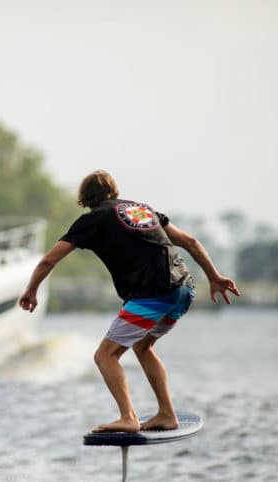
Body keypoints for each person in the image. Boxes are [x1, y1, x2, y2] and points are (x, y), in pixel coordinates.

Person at [18, 170, 239, 433]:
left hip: (153, 294)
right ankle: (167, 414)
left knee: (105, 356)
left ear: (85, 199)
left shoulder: (92, 220)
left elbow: (48, 260)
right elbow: (190, 241)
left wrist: (31, 290)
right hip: (183, 291)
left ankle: (128, 418)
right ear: (114, 192)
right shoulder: (142, 210)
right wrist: (214, 276)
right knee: (143, 347)